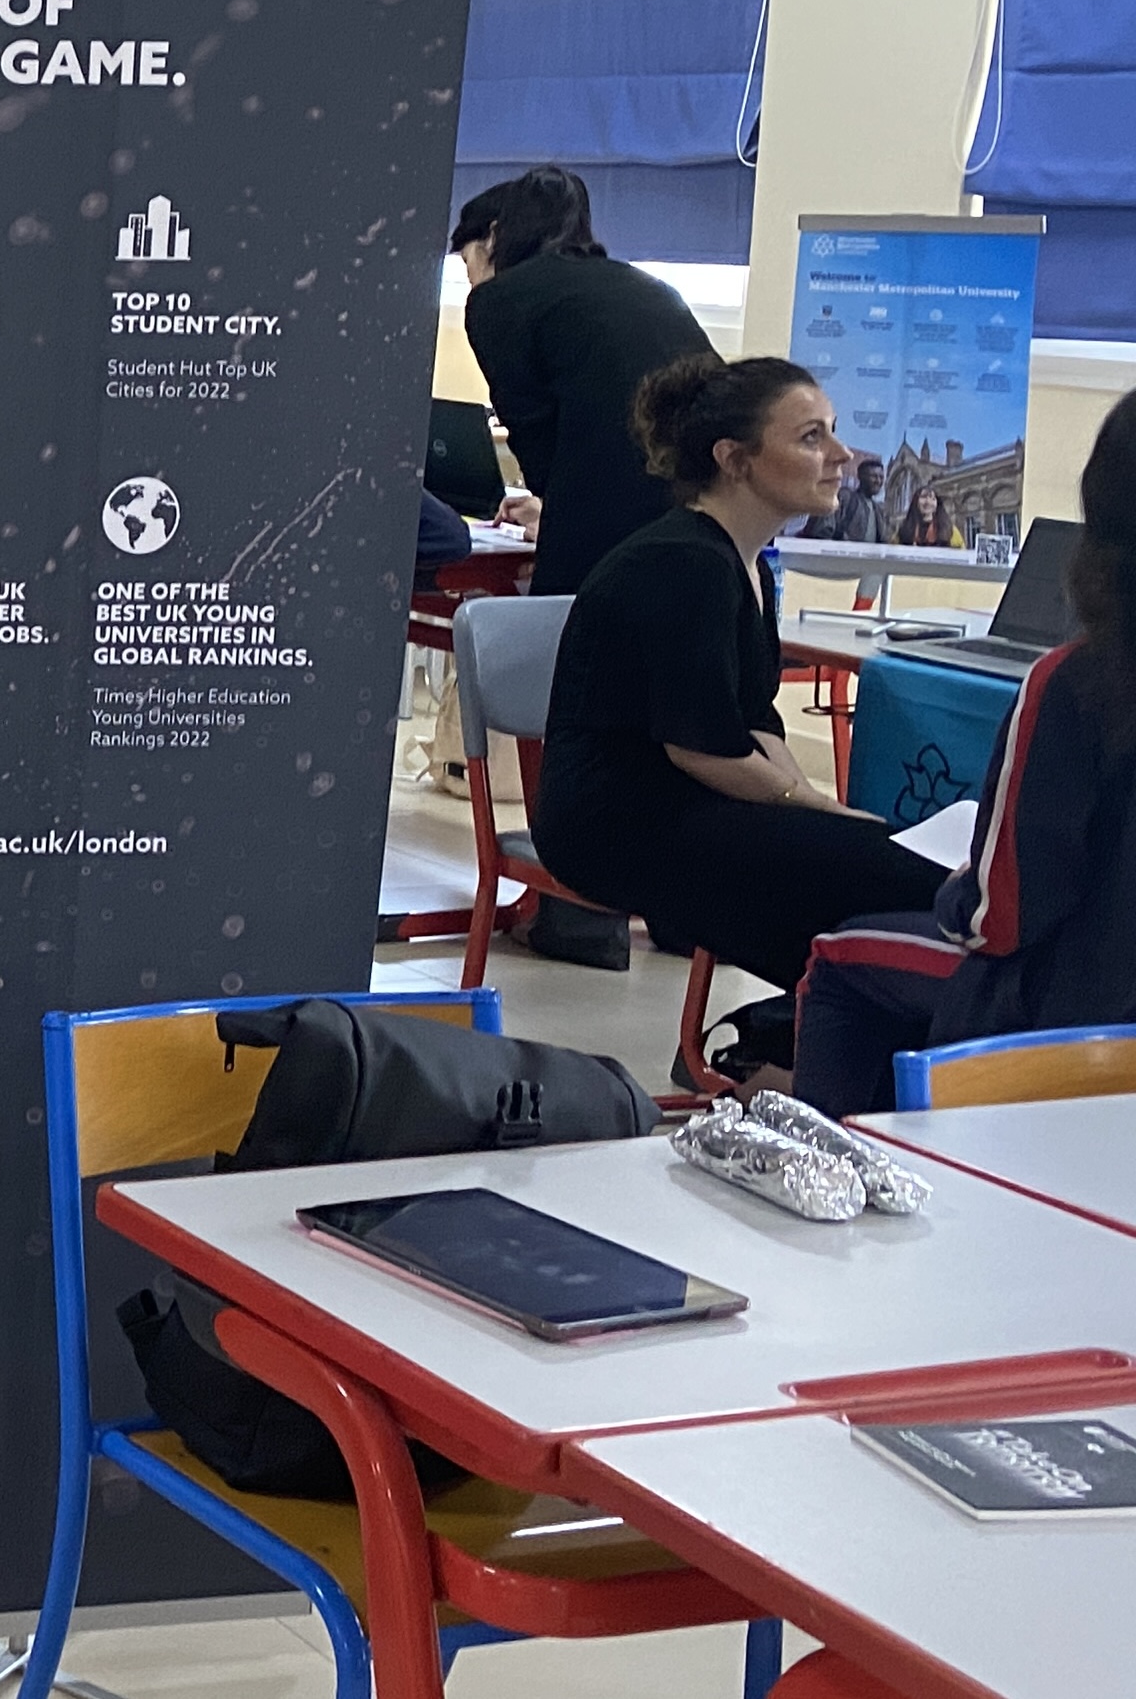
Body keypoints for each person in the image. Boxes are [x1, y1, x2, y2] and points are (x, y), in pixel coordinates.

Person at [532, 355, 943, 1058]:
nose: (842, 455)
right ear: (734, 459)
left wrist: (819, 810)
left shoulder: (747, 564)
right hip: (616, 821)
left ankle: (815, 1042)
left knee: (890, 868)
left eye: (832, 431)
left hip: (685, 801)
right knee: (890, 877)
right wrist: (818, 811)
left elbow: (756, 723)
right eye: (812, 437)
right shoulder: (684, 562)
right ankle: (809, 1048)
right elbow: (704, 749)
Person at [795, 392, 1136, 1114]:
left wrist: (959, 891)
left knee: (838, 959)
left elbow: (1000, 921)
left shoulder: (1076, 683)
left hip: (1076, 1025)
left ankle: (843, 1160)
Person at [454, 168, 706, 596]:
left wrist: (557, 517)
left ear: (494, 236)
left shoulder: (501, 299)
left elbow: (534, 434)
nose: (471, 280)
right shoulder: (642, 285)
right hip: (703, 507)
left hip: (611, 525)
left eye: (467, 263)